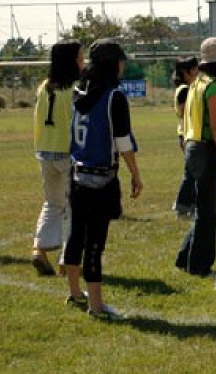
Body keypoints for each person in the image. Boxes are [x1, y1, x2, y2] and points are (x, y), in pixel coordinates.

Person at [64, 39, 143, 319]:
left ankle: (74, 290)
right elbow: (122, 141)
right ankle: (96, 306)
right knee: (95, 243)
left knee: (76, 234)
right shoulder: (114, 96)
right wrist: (135, 173)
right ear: (112, 63)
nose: (123, 65)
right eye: (120, 60)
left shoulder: (79, 91)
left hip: (77, 174)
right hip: (101, 178)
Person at [176, 37, 216, 278]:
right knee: (208, 211)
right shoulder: (214, 87)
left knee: (205, 208)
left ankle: (185, 257)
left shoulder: (196, 83)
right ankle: (199, 265)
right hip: (207, 148)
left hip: (192, 146)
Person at [31, 40, 83, 276]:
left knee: (52, 203)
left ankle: (39, 249)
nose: (83, 61)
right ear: (72, 60)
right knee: (75, 208)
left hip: (44, 152)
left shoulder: (44, 87)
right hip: (67, 153)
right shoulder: (73, 89)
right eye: (80, 57)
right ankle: (67, 259)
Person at [171, 55, 199, 219]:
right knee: (191, 172)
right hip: (186, 134)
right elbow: (183, 111)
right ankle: (182, 205)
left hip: (187, 133)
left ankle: (190, 204)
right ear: (187, 72)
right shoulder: (185, 90)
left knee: (193, 171)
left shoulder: (186, 88)